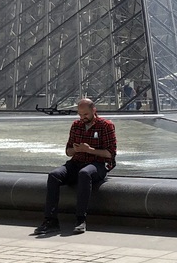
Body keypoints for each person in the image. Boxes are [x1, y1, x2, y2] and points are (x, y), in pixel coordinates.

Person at [34, 98, 116, 236]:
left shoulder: (106, 125)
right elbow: (68, 151)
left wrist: (90, 150)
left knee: (85, 173)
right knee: (54, 175)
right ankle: (51, 220)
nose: (82, 118)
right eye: (80, 114)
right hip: (76, 162)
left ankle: (80, 219)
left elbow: (110, 154)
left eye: (85, 115)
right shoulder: (76, 125)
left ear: (94, 110)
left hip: (98, 164)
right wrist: (76, 150)